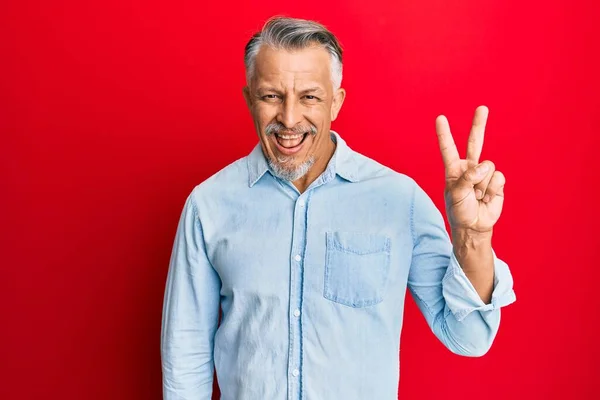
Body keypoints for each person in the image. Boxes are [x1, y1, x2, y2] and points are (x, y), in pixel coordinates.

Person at [160, 16, 516, 400]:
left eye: (309, 97)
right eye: (271, 96)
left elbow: (470, 337)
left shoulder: (400, 200)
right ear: (249, 99)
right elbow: (186, 355)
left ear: (337, 102)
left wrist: (473, 237)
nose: (290, 119)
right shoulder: (208, 205)